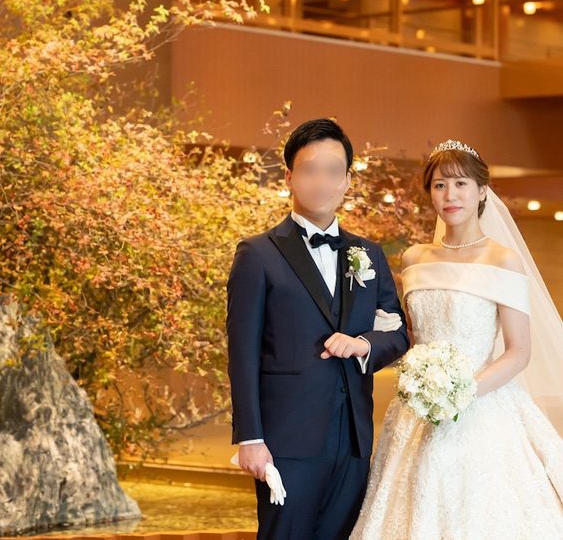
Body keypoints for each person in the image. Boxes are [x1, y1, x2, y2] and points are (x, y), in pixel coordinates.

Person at [351, 139, 563, 540]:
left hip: (483, 406)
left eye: (461, 184)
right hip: (416, 411)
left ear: (482, 191)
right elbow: (413, 337)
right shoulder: (414, 258)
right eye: (439, 185)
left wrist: (460, 393)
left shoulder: (502, 259)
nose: (450, 195)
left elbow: (519, 352)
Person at [226, 118, 410, 539]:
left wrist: (363, 343)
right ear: (289, 177)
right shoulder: (258, 253)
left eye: (332, 171)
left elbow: (398, 333)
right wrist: (249, 437)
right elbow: (242, 352)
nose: (321, 182)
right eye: (309, 170)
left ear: (347, 181)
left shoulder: (368, 253)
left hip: (353, 438)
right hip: (286, 440)